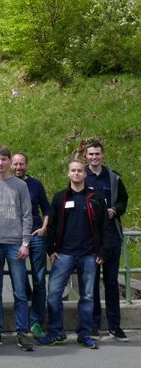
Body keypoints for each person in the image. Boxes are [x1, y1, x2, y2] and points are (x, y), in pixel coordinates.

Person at [37, 159, 113, 350]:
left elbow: (105, 227)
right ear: (68, 174)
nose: (77, 173)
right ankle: (56, 332)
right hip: (64, 254)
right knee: (53, 294)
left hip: (89, 255)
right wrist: (51, 250)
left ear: (84, 174)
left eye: (80, 170)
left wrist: (103, 252)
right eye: (73, 170)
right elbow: (51, 227)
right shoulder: (60, 197)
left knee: (87, 297)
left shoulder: (95, 198)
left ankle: (84, 334)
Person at [0, 145, 35, 351]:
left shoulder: (20, 185)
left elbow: (27, 214)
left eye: (4, 159)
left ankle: (22, 332)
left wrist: (25, 243)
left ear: (10, 162)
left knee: (20, 290)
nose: (1, 163)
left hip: (15, 244)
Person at [84, 138, 129, 341]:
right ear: (86, 156)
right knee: (91, 283)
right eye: (91, 154)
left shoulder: (113, 178)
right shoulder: (80, 176)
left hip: (112, 238)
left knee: (111, 281)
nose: (94, 157)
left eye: (97, 153)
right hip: (90, 239)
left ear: (103, 155)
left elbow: (123, 200)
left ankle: (114, 325)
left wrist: (115, 210)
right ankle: (93, 325)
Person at [11, 152, 50, 339]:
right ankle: (22, 321)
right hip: (15, 238)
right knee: (19, 281)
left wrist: (44, 228)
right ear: (11, 165)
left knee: (40, 280)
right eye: (15, 164)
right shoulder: (7, 184)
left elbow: (47, 209)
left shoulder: (36, 184)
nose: (18, 167)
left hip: (35, 236)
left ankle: (36, 322)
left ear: (26, 165)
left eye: (21, 164)